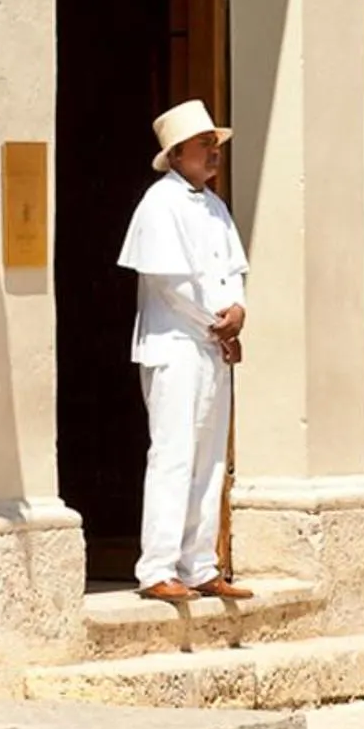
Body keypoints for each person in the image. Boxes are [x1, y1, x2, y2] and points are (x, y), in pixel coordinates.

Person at [116, 99, 252, 602]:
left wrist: (237, 313)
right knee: (174, 453)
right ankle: (156, 566)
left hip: (212, 346)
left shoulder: (215, 207)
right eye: (203, 145)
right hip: (174, 345)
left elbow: (233, 273)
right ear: (176, 154)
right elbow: (172, 284)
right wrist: (218, 324)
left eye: (214, 145)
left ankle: (199, 563)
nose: (212, 153)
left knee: (210, 456)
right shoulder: (159, 204)